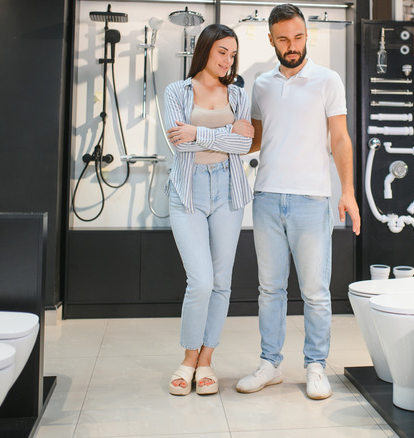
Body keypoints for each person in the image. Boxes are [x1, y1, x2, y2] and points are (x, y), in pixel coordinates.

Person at [236, 3, 360, 400]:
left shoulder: (327, 80)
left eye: (299, 37)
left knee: (315, 291)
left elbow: (339, 139)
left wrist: (348, 192)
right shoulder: (261, 83)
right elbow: (256, 139)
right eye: (284, 39)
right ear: (271, 40)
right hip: (268, 196)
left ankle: (315, 366)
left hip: (311, 199)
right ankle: (270, 364)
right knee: (269, 289)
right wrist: (222, 128)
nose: (293, 45)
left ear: (308, 35)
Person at [164, 23, 254, 396]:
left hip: (229, 191)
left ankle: (206, 362)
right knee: (199, 281)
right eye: (222, 52)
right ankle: (187, 358)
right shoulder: (177, 91)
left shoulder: (239, 94)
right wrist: (229, 132)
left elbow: (244, 145)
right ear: (205, 50)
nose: (228, 60)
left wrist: (199, 133)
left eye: (232, 54)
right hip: (188, 191)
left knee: (221, 282)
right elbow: (177, 143)